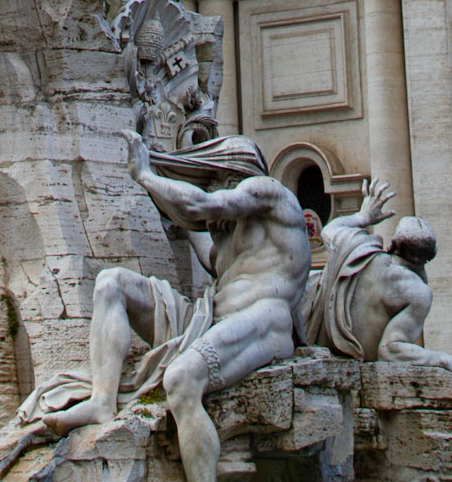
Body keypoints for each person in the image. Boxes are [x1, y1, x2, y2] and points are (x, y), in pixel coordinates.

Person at [38, 132, 311, 482]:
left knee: (181, 378)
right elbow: (195, 230)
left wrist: (147, 175)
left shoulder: (270, 193)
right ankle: (102, 401)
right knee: (112, 283)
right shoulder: (227, 238)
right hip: (210, 318)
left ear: (234, 176)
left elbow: (199, 206)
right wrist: (163, 189)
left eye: (216, 182)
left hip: (265, 318)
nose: (214, 191)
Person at [304, 176, 452, 375]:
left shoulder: (358, 247)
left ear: (391, 244)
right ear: (430, 256)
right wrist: (443, 359)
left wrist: (363, 217)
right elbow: (390, 350)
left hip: (304, 323)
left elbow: (330, 230)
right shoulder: (418, 293)